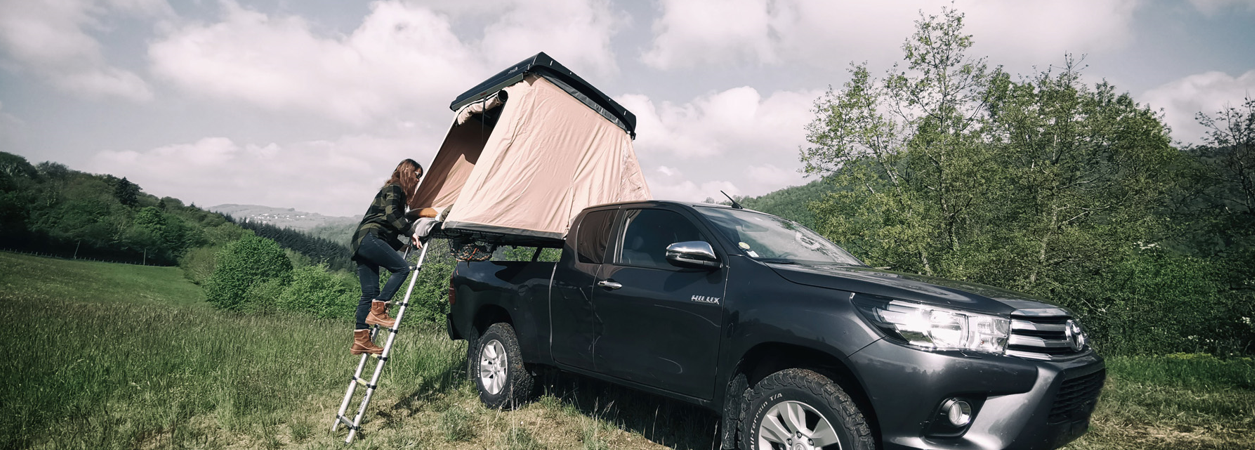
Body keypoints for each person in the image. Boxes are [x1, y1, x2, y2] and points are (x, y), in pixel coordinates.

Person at [348, 159, 437, 355]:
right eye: (417, 175)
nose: (418, 179)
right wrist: (410, 231)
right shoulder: (395, 189)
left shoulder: (391, 190)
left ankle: (361, 340)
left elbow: (386, 228)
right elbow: (390, 215)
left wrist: (399, 244)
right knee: (402, 268)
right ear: (407, 172)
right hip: (370, 237)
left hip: (362, 240)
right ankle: (379, 311)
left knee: (369, 294)